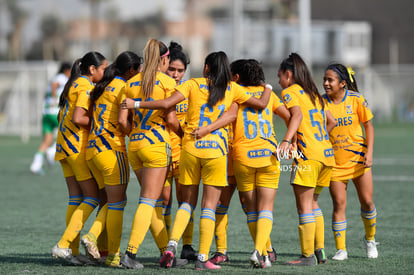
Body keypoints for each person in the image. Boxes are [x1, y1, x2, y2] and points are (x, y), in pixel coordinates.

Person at [121, 51, 273, 270]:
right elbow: (261, 104)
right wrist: (267, 87)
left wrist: (136, 105)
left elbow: (165, 104)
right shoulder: (232, 88)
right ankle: (202, 259)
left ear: (206, 69)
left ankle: (171, 246)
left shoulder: (193, 84)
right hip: (216, 152)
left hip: (190, 149)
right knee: (209, 207)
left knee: (186, 204)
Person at [117, 39, 185, 269]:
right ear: (164, 59)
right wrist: (186, 135)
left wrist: (134, 132)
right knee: (148, 201)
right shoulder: (167, 82)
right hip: (156, 145)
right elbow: (172, 119)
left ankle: (167, 254)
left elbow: (122, 122)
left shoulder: (131, 83)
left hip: (135, 145)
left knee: (153, 202)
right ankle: (130, 254)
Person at [79, 51, 143, 267]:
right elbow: (122, 121)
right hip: (111, 150)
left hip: (92, 151)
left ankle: (103, 251)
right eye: (139, 69)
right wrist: (132, 130)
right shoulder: (125, 87)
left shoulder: (104, 84)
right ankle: (111, 253)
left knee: (108, 201)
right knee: (118, 203)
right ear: (131, 70)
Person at [229, 59, 291, 268]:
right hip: (268, 155)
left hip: (243, 157)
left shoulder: (234, 94)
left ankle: (263, 253)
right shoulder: (269, 94)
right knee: (266, 208)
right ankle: (260, 252)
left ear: (237, 77)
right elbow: (289, 117)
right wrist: (289, 140)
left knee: (251, 209)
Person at [277, 53, 336, 266]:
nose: (278, 81)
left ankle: (307, 256)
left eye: (280, 76)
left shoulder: (290, 91)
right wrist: (315, 139)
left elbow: (297, 116)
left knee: (304, 207)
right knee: (313, 203)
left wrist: (287, 140)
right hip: (326, 155)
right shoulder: (314, 94)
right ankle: (320, 252)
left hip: (307, 156)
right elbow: (331, 121)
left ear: (289, 74)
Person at [51, 52, 107, 265]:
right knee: (92, 197)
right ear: (92, 70)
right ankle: (64, 244)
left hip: (64, 146)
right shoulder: (84, 86)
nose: (104, 72)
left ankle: (71, 250)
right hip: (76, 148)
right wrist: (100, 122)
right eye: (103, 68)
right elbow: (78, 117)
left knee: (76, 198)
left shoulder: (72, 85)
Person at [322, 64, 378, 260]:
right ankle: (341, 249)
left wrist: (369, 153)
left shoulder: (356, 99)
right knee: (338, 204)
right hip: (334, 163)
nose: (326, 83)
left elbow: (368, 126)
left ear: (343, 83)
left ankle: (370, 240)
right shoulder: (321, 103)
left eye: (330, 80)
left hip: (358, 160)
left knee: (368, 202)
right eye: (325, 79)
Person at [164, 41, 197, 261]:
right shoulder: (160, 87)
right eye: (172, 69)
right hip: (163, 152)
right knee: (164, 202)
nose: (175, 74)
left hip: (185, 154)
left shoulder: (189, 88)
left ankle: (187, 245)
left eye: (180, 70)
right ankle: (166, 246)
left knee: (185, 201)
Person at [30, 62, 71, 175]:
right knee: (67, 133)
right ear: (66, 70)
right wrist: (55, 99)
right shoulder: (61, 78)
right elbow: (55, 85)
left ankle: (35, 165)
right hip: (55, 112)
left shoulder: (55, 78)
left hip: (46, 113)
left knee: (47, 140)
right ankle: (52, 151)